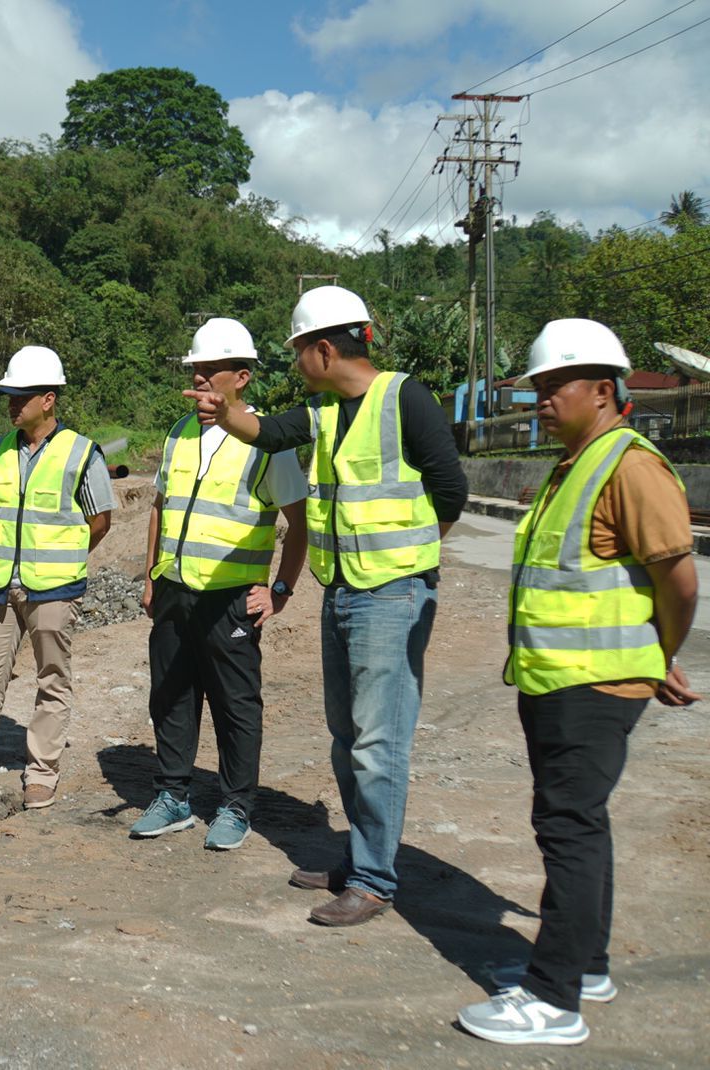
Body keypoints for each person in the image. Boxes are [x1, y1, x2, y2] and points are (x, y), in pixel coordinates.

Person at [185, 285, 467, 926]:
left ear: (322, 348)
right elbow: (266, 432)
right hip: (342, 591)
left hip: (391, 594)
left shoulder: (404, 399)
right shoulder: (326, 412)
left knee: (378, 741)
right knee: (346, 737)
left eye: (296, 353)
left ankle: (373, 880)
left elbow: (450, 489)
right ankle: (359, 858)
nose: (294, 365)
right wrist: (223, 409)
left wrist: (414, 559)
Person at [456, 319, 699, 1046]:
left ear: (602, 390)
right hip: (563, 681)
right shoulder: (577, 463)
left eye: (552, 386)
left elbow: (678, 579)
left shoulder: (628, 466)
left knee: (569, 828)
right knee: (578, 823)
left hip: (592, 687)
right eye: (536, 388)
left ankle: (554, 1000)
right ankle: (585, 966)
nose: (541, 400)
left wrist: (661, 652)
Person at [134, 318, 309, 850]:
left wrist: (279, 592)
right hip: (174, 592)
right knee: (170, 697)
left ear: (243, 377)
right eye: (196, 370)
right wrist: (151, 577)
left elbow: (298, 522)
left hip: (232, 600)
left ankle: (235, 806)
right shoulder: (178, 434)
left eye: (212, 371)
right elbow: (161, 508)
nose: (202, 380)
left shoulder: (268, 441)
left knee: (236, 706)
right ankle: (173, 797)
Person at [0, 345, 114, 812]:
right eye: (7, 395)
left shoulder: (81, 453)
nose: (11, 403)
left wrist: (59, 559)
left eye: (20, 396)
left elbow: (100, 521)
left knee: (53, 680)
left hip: (53, 591)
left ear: (48, 399)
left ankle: (42, 773)